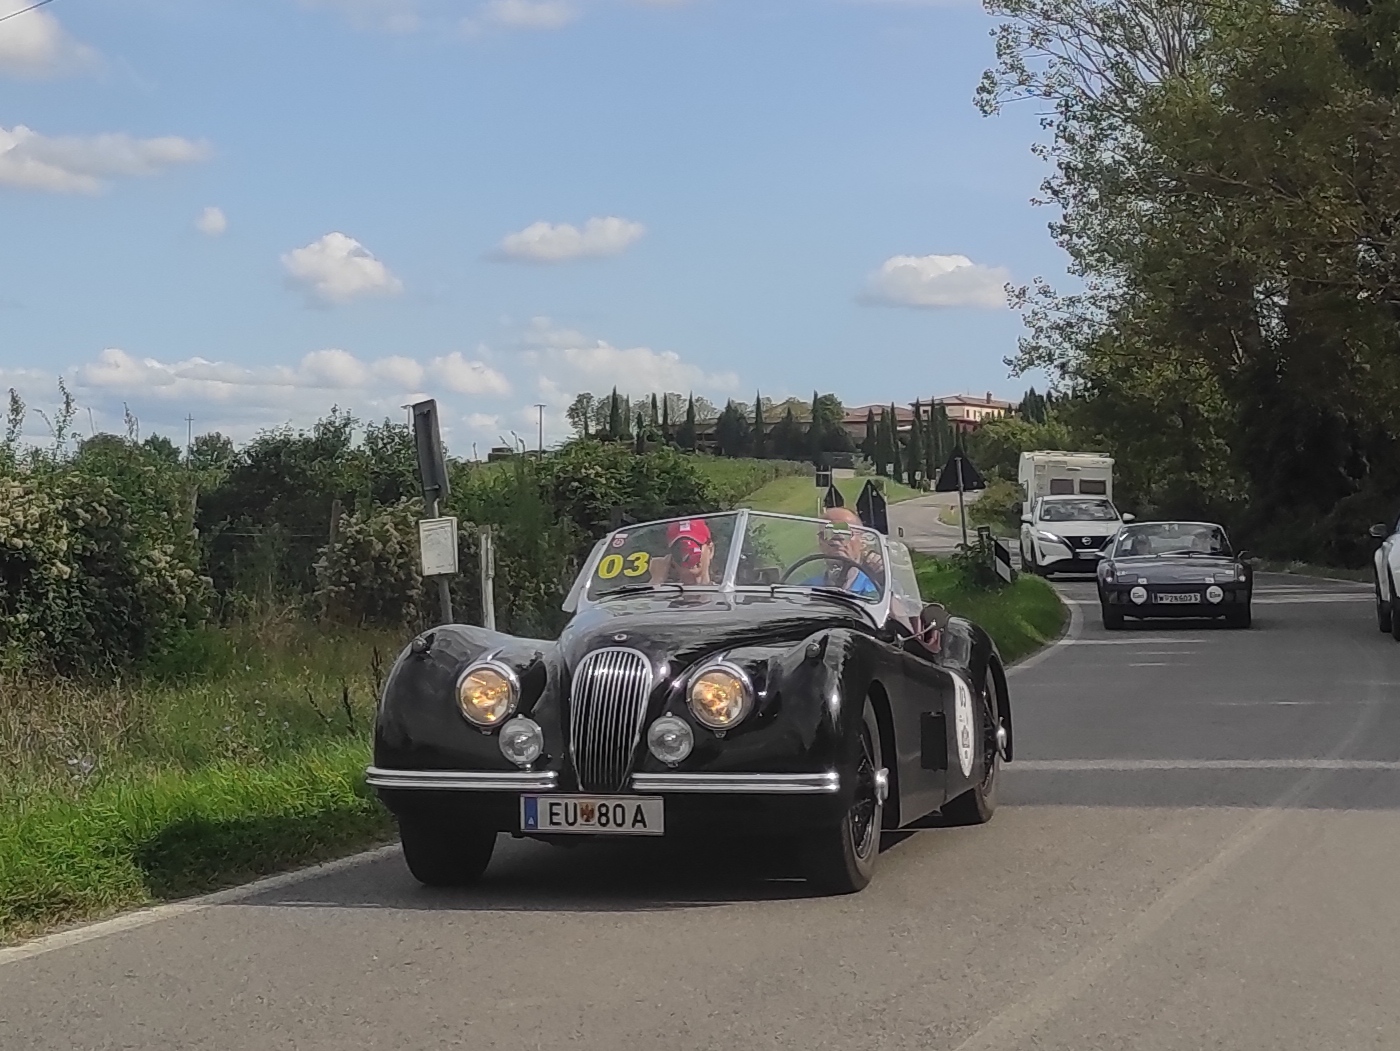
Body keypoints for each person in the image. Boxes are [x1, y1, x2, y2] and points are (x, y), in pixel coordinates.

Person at [800, 508, 880, 598]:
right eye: (828, 534)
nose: (836, 542)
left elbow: (895, 610)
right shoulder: (807, 587)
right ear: (820, 542)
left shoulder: (876, 588)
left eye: (845, 533)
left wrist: (882, 579)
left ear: (862, 542)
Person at [649, 518, 716, 586]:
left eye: (695, 547)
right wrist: (656, 580)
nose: (687, 555)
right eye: (679, 549)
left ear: (710, 550)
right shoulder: (666, 594)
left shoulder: (724, 591)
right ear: (671, 558)